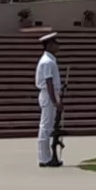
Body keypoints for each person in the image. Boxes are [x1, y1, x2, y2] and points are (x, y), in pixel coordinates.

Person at [35, 30, 63, 167]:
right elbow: (48, 82)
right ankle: (44, 158)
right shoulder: (47, 62)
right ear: (50, 45)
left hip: (50, 94)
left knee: (48, 125)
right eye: (55, 44)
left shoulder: (50, 60)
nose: (58, 46)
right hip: (48, 95)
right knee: (45, 126)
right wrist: (55, 101)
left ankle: (46, 156)